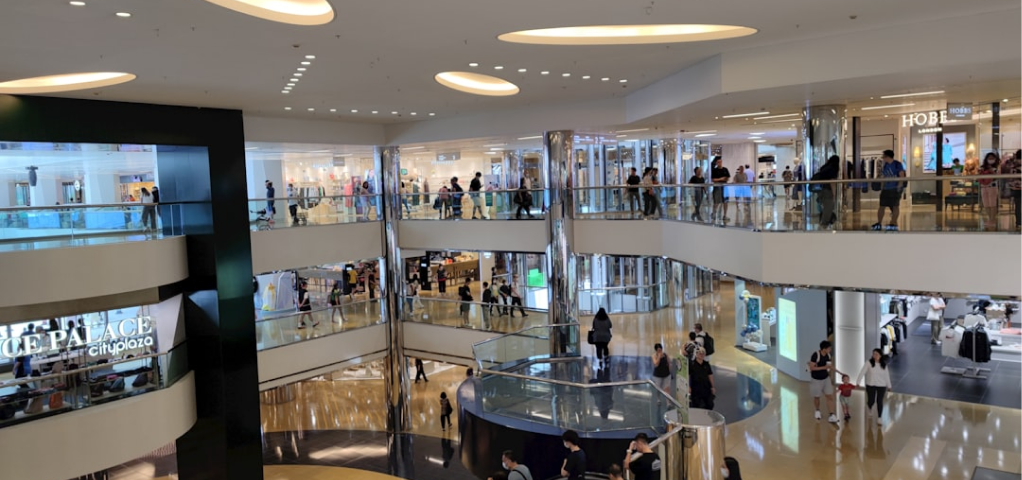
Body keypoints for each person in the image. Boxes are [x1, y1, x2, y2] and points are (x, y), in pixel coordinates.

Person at [856, 348, 893, 425]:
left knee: (879, 401)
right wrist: (858, 382)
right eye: (873, 354)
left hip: (881, 385)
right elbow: (862, 372)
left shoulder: (884, 365)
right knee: (871, 400)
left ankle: (879, 418)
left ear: (880, 355)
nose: (874, 356)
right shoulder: (869, 363)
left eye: (876, 354)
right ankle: (869, 407)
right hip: (871, 384)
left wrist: (889, 386)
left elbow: (887, 376)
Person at [872, 149, 906, 231]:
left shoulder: (897, 164)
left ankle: (893, 222)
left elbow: (902, 175)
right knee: (882, 206)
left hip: (894, 188)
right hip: (886, 189)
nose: (883, 158)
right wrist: (882, 187)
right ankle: (879, 222)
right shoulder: (885, 165)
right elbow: (883, 176)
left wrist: (899, 186)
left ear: (888, 156)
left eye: (884, 156)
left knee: (895, 206)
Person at [808, 340, 839, 423]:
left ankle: (831, 415)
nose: (830, 350)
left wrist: (840, 373)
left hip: (826, 378)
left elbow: (829, 366)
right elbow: (812, 368)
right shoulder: (815, 355)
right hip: (816, 380)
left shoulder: (828, 355)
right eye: (829, 348)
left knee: (829, 396)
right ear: (824, 349)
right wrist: (823, 367)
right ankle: (817, 411)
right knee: (817, 396)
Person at [814, 155, 841, 228]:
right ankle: (824, 224)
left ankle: (823, 223)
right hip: (827, 190)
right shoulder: (834, 168)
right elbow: (832, 182)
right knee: (829, 207)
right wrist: (834, 194)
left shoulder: (825, 167)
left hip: (820, 190)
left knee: (825, 207)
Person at [979, 152, 1000, 224]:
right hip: (983, 187)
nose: (991, 160)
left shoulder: (996, 168)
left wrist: (992, 172)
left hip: (992, 187)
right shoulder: (982, 168)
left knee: (992, 203)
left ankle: (992, 219)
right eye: (989, 158)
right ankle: (989, 218)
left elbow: (998, 177)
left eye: (992, 158)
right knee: (986, 204)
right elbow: (978, 176)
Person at [711, 156, 731, 222]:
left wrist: (722, 179)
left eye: (720, 162)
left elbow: (727, 178)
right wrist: (721, 179)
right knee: (716, 202)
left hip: (725, 187)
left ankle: (725, 215)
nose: (719, 163)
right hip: (717, 187)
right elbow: (713, 179)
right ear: (716, 163)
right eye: (718, 162)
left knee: (725, 202)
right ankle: (714, 213)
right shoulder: (714, 170)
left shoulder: (725, 169)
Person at [1008, 150, 1022, 230]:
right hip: (1017, 188)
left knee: (1018, 206)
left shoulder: (1013, 164)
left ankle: (1019, 223)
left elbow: (1010, 177)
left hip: (1016, 188)